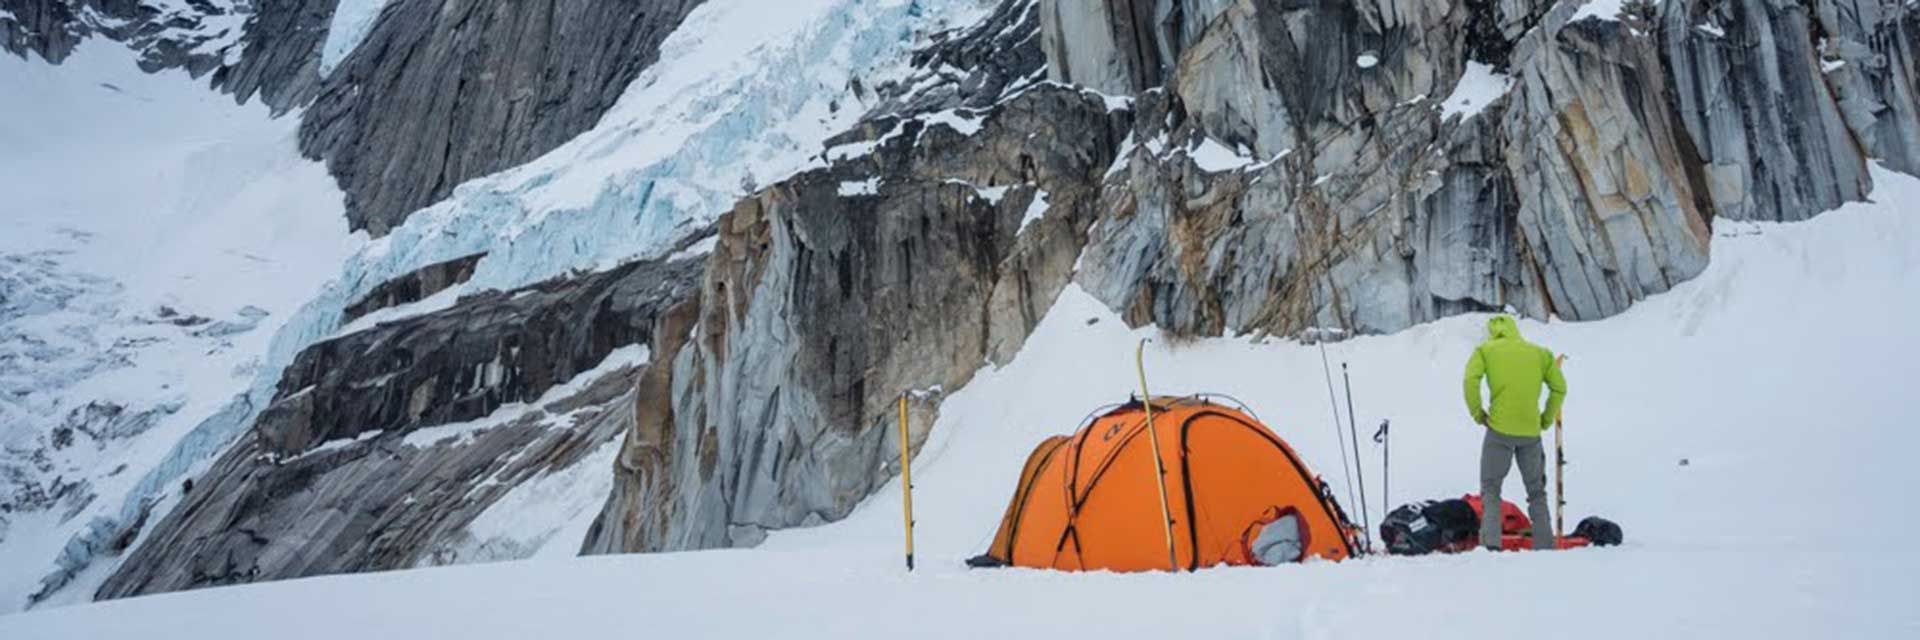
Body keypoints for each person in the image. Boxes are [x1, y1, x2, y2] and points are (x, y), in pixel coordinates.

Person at [1462, 315, 1566, 550]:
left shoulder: (1485, 351)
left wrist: (1479, 415)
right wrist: (1545, 419)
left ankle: (1491, 546)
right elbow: (1560, 388)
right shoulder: (1540, 354)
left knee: (1490, 490)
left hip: (1498, 430)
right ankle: (1544, 545)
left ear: (1492, 332)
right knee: (1537, 492)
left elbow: (1470, 380)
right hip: (1530, 432)